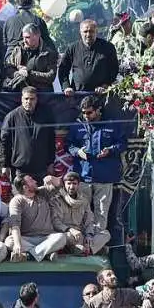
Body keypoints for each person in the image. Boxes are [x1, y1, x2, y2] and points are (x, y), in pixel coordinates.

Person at [64, 96, 126, 230]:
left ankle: (98, 243)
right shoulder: (77, 125)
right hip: (83, 176)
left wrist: (110, 150)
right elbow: (68, 145)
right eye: (83, 112)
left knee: (101, 213)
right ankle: (81, 242)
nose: (86, 116)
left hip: (105, 177)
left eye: (89, 112)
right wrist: (77, 152)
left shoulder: (112, 124)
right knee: (80, 212)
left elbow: (122, 143)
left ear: (98, 110)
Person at [5, 174, 67, 262]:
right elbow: (15, 225)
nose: (35, 181)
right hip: (27, 239)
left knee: (61, 237)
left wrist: (53, 178)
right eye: (31, 180)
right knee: (9, 241)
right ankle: (45, 253)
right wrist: (17, 245)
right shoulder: (17, 201)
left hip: (47, 238)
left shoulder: (43, 192)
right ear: (25, 187)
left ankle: (29, 256)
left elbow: (61, 184)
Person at [0, 87, 56, 180]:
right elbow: (4, 142)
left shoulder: (46, 116)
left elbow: (51, 140)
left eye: (32, 99)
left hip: (41, 170)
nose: (29, 102)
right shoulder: (12, 117)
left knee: (41, 195)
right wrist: (5, 165)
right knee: (20, 195)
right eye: (26, 98)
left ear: (36, 99)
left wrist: (50, 163)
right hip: (19, 170)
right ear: (22, 99)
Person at [48, 172, 111, 255]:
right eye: (69, 183)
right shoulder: (57, 200)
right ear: (64, 184)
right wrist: (70, 230)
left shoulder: (84, 201)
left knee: (105, 234)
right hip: (65, 233)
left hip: (80, 234)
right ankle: (87, 249)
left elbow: (89, 220)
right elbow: (55, 222)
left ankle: (88, 249)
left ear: (78, 185)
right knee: (63, 237)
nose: (71, 187)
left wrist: (89, 235)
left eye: (74, 184)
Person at [58, 20, 119, 95]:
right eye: (85, 31)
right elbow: (63, 70)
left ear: (96, 31)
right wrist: (66, 87)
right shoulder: (72, 49)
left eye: (91, 31)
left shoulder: (108, 47)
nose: (88, 34)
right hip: (77, 95)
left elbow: (114, 69)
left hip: (101, 95)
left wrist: (106, 84)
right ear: (80, 32)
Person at [3, 24, 59, 91]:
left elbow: (51, 76)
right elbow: (8, 68)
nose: (24, 40)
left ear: (37, 36)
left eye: (27, 37)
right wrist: (18, 73)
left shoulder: (49, 53)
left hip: (40, 93)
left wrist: (29, 73)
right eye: (23, 37)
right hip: (19, 92)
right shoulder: (18, 49)